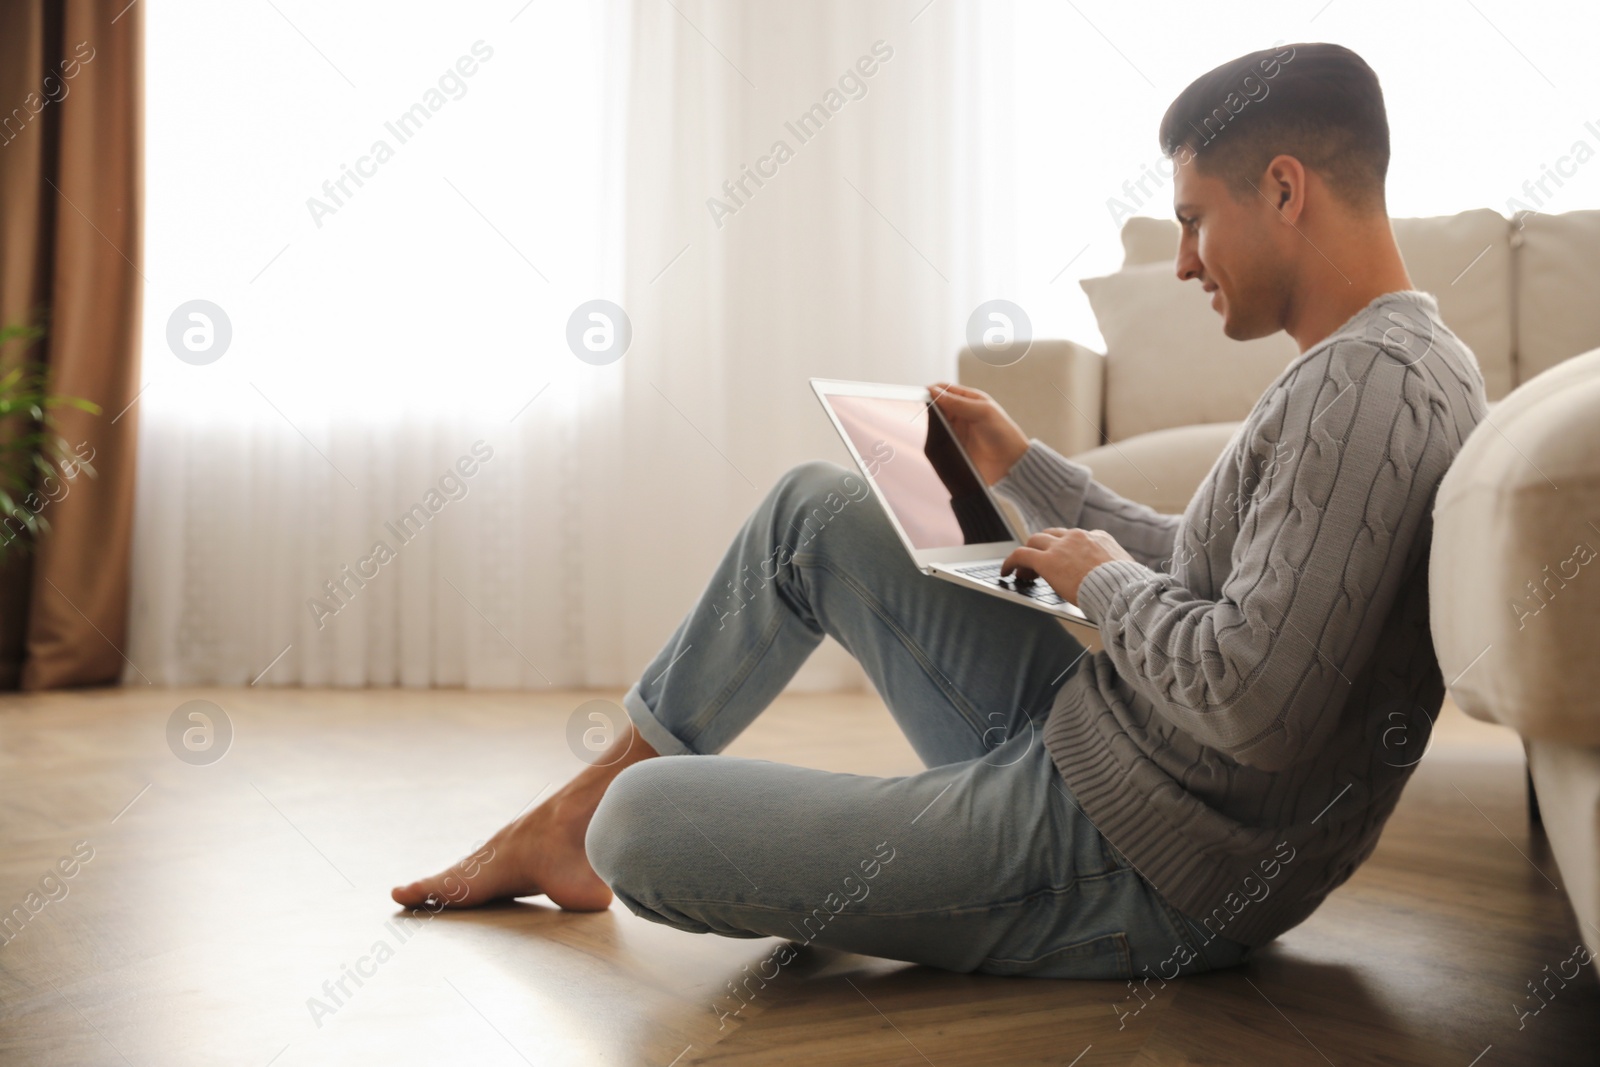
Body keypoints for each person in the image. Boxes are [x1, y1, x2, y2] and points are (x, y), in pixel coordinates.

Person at [393, 41, 1488, 980]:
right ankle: (566, 824)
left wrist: (1095, 577)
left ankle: (676, 832)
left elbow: (1257, 702)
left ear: (1285, 190)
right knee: (814, 510)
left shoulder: (1361, 388)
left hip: (1140, 858)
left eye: (1193, 220)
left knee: (641, 825)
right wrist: (1028, 466)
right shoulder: (1393, 364)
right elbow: (1216, 572)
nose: (1184, 262)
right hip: (1106, 747)